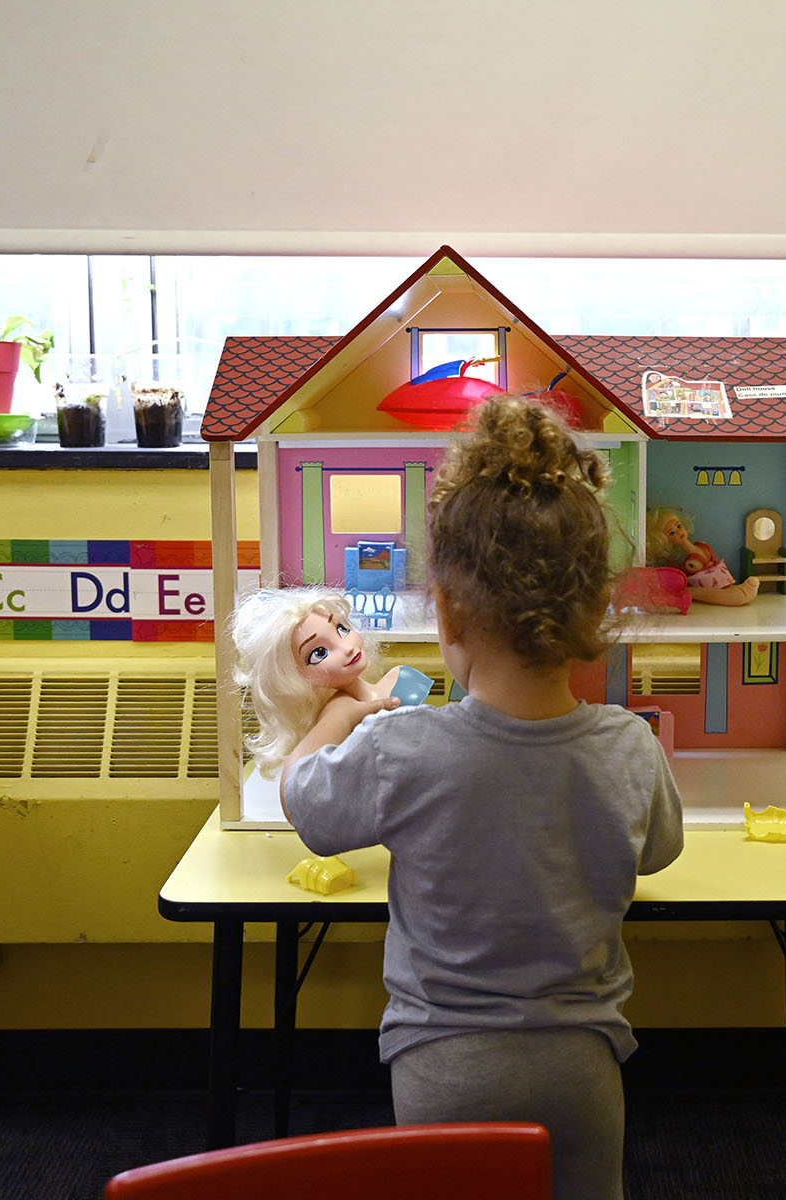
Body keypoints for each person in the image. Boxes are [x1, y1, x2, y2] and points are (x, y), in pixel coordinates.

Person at [278, 394, 685, 1199]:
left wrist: (337, 716)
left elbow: (307, 808)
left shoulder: (405, 748)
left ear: (450, 610)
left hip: (444, 1066)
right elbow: (661, 848)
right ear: (595, 611)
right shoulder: (628, 744)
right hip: (584, 1066)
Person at [230, 586, 400, 777]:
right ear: (294, 679)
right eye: (319, 653)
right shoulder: (338, 711)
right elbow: (297, 783)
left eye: (342, 629)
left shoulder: (399, 677)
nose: (347, 649)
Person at [644, 506, 759, 605]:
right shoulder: (691, 562)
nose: (679, 533)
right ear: (665, 540)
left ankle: (740, 593)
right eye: (672, 533)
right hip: (710, 590)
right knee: (724, 596)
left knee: (730, 593)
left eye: (679, 526)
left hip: (724, 585)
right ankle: (741, 594)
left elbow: (699, 553)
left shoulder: (698, 546)